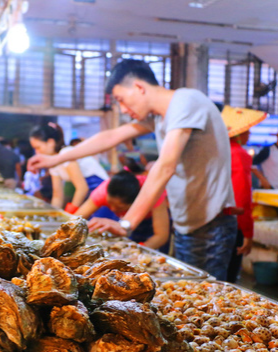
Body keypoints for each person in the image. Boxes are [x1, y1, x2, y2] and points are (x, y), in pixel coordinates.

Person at [28, 59, 237, 280]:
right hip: (187, 223)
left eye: (121, 100)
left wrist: (126, 223)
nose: (123, 110)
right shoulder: (159, 116)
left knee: (207, 296)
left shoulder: (186, 102)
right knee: (191, 293)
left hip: (211, 224)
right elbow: (111, 136)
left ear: (139, 87)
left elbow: (165, 166)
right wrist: (56, 159)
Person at [222, 106, 267, 282]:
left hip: (208, 220)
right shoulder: (239, 154)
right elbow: (241, 197)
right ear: (238, 133)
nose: (249, 135)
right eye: (247, 130)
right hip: (231, 221)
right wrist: (248, 232)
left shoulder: (215, 150)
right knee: (229, 277)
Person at [76, 171, 170, 251]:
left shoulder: (155, 195)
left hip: (148, 224)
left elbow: (161, 236)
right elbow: (77, 218)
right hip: (126, 223)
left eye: (119, 207)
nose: (113, 209)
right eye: (110, 204)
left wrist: (137, 251)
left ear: (133, 204)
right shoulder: (103, 191)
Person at [29, 123, 110, 214]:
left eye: (38, 147)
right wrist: (52, 215)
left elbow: (82, 188)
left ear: (51, 143)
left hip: (101, 191)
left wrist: (71, 212)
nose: (37, 152)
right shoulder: (53, 163)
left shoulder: (65, 154)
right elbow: (57, 196)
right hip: (88, 196)